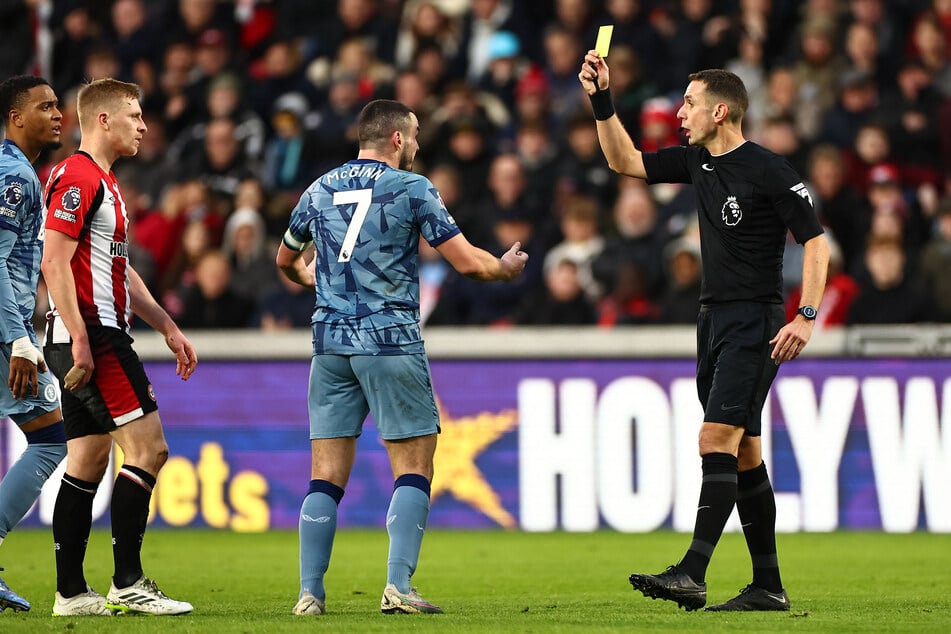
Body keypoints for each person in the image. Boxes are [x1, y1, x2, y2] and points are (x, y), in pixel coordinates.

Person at [579, 57, 830, 611]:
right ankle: (768, 586)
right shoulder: (697, 162)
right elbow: (624, 159)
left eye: (689, 102)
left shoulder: (769, 168)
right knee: (743, 453)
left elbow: (815, 241)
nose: (679, 112)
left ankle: (692, 572)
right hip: (712, 321)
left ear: (720, 111)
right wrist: (602, 98)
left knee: (714, 439)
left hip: (755, 323)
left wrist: (805, 316)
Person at [275, 99, 528, 617]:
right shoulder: (411, 188)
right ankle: (398, 587)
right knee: (413, 466)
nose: (416, 145)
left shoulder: (318, 188)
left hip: (330, 345)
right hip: (389, 339)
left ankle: (309, 593)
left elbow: (285, 259)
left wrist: (310, 279)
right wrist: (502, 268)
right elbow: (466, 262)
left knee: (325, 476)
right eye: (413, 136)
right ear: (396, 139)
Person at [41, 78, 198, 617]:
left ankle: (69, 594)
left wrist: (166, 325)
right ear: (102, 120)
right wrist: (83, 338)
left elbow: (118, 269)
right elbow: (53, 261)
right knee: (150, 450)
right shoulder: (82, 177)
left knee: (87, 458)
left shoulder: (99, 181)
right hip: (93, 336)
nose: (143, 125)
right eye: (134, 115)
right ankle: (128, 582)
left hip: (79, 336)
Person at [0, 75, 65, 614]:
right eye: (45, 107)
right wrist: (19, 337)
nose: (58, 113)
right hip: (5, 333)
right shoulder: (14, 177)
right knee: (49, 441)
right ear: (15, 117)